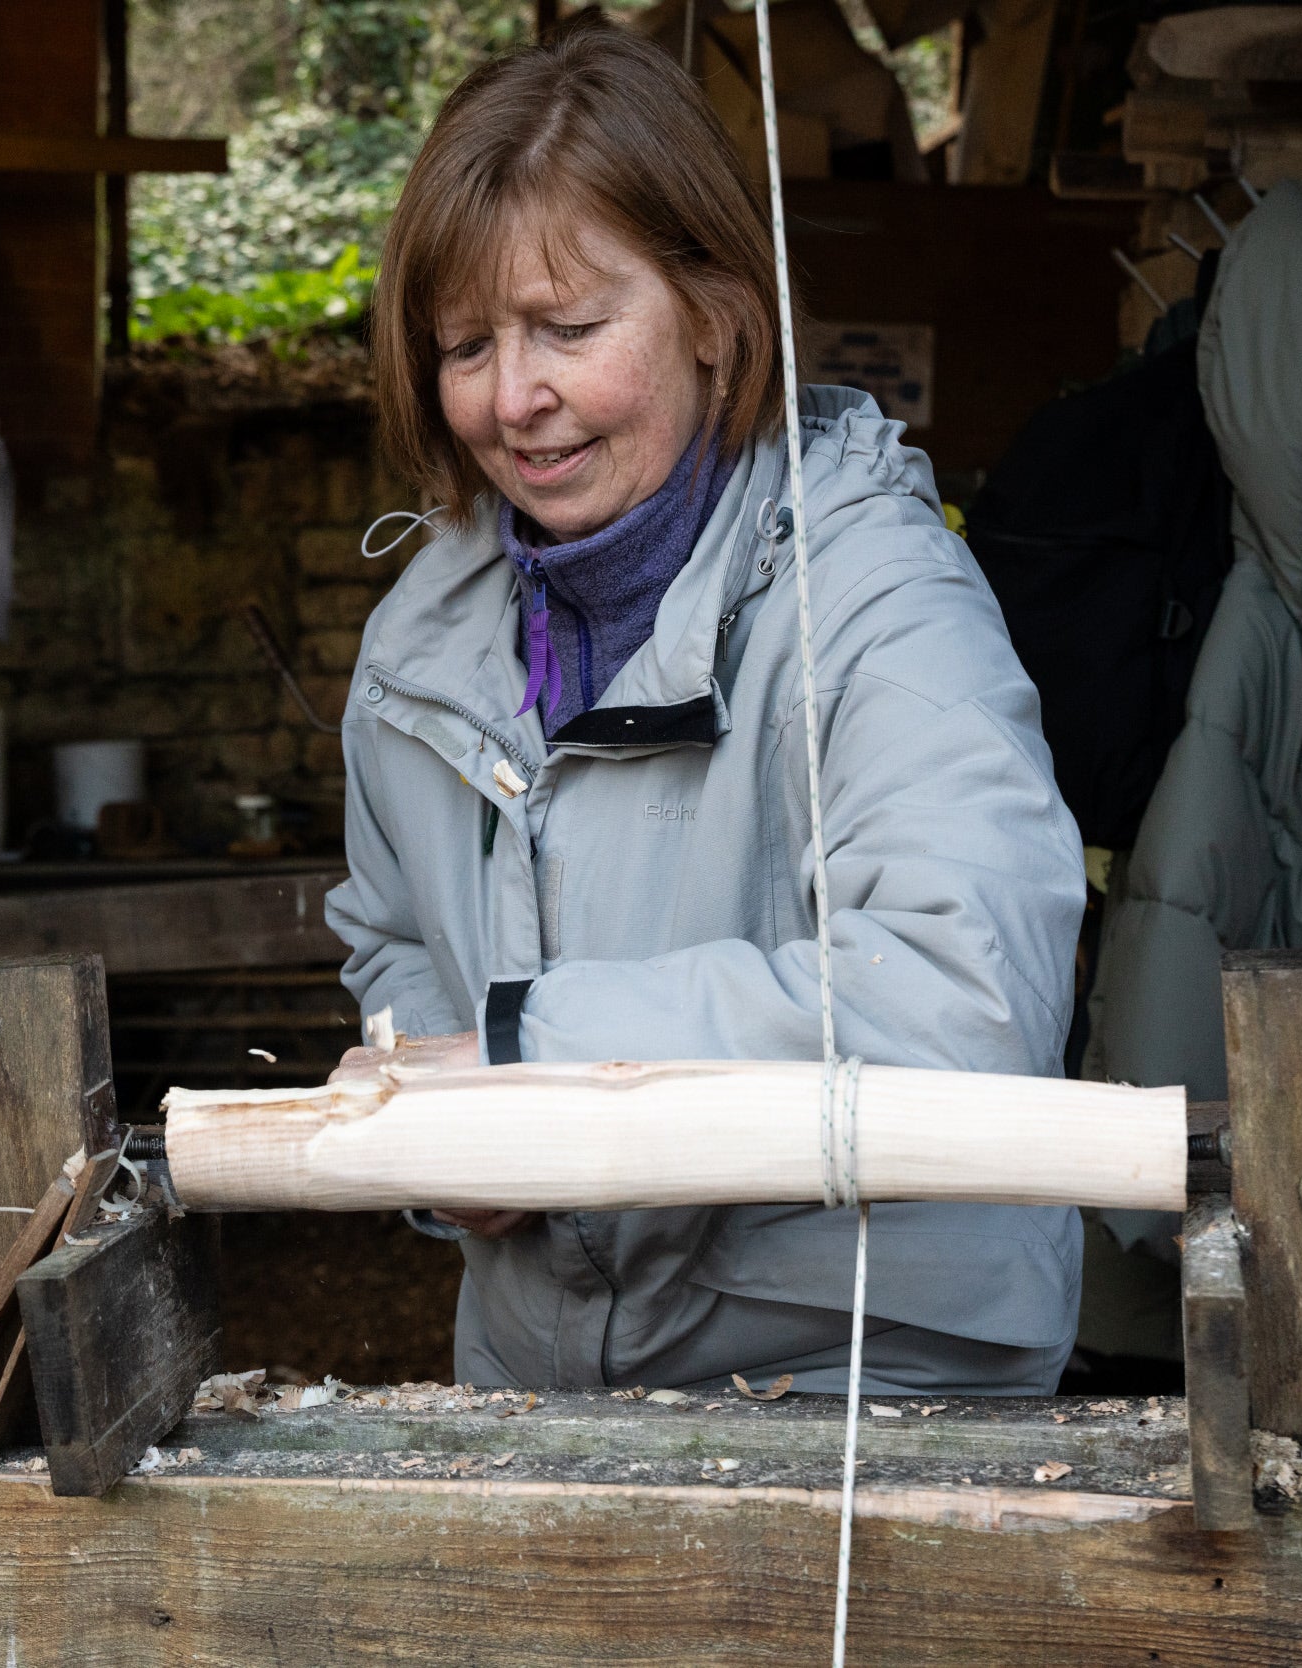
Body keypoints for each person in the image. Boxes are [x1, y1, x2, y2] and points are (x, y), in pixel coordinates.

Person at [326, 23, 1086, 1396]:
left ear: (717, 321)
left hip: (867, 1380)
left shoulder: (877, 596)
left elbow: (965, 1001)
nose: (515, 400)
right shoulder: (417, 650)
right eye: (466, 345)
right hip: (543, 1374)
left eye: (569, 328)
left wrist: (519, 1062)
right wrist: (436, 1134)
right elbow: (395, 944)